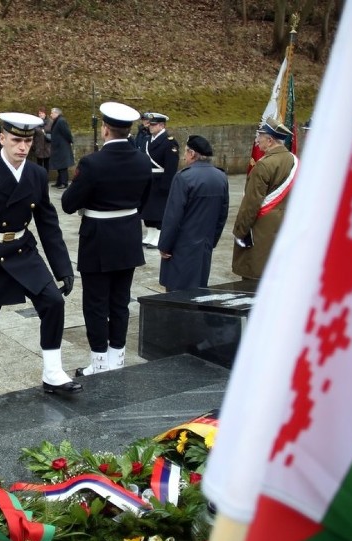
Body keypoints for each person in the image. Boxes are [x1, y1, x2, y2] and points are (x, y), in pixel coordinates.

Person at [0, 112, 81, 402]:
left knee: (53, 302)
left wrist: (62, 267)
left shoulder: (35, 174)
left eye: (28, 140)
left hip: (21, 251)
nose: (23, 147)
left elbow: (47, 221)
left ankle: (52, 372)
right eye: (17, 140)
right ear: (2, 139)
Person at [61, 102, 152, 376]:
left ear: (105, 130)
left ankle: (99, 364)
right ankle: (118, 358)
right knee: (120, 301)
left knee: (96, 304)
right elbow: (144, 202)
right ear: (128, 130)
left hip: (99, 240)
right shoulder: (142, 160)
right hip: (128, 237)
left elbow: (68, 203)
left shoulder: (92, 163)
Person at [158, 135, 229, 291]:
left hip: (181, 249)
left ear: (191, 153)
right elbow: (222, 216)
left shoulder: (183, 178)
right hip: (204, 247)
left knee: (177, 295)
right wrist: (211, 241)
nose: (183, 156)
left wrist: (164, 246)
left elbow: (173, 217)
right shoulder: (221, 177)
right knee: (198, 291)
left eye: (185, 152)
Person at [232, 116, 298, 280]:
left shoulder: (263, 165)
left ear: (269, 140)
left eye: (260, 136)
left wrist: (240, 231)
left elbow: (251, 203)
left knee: (254, 280)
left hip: (261, 230)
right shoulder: (293, 160)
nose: (257, 140)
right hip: (284, 226)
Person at [139, 112, 179, 248]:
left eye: (154, 124)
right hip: (148, 179)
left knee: (159, 210)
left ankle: (159, 235)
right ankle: (150, 233)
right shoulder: (147, 140)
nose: (150, 127)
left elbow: (171, 166)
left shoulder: (169, 142)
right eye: (150, 124)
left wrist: (167, 185)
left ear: (162, 125)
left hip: (161, 179)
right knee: (147, 209)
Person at [48, 107, 73, 188]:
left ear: (56, 113)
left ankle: (64, 183)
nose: (50, 114)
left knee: (62, 166)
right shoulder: (57, 121)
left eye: (52, 113)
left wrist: (70, 141)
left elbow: (67, 133)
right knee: (59, 166)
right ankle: (59, 182)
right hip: (58, 147)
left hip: (62, 147)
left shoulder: (61, 121)